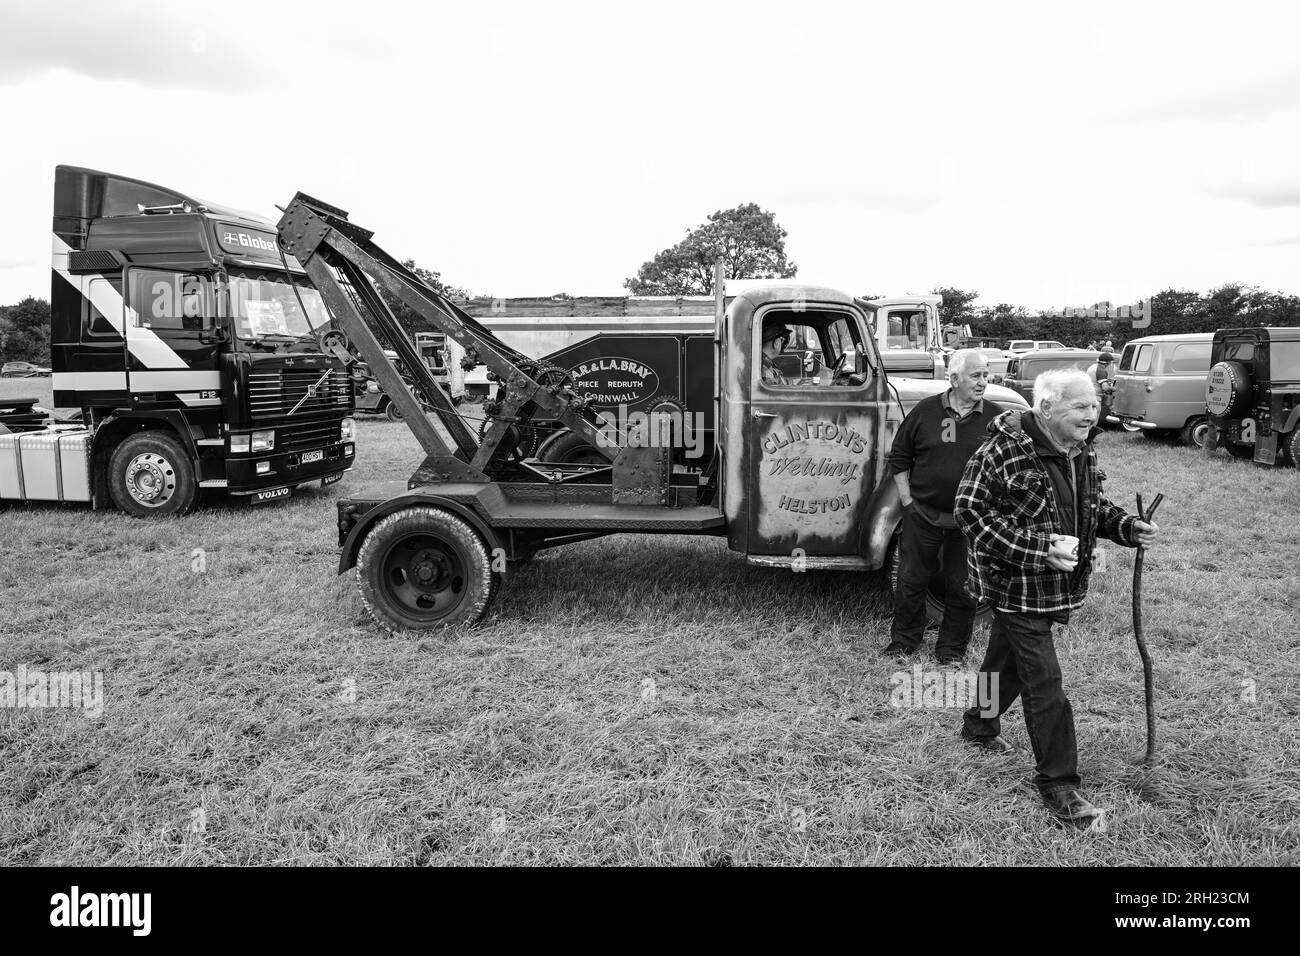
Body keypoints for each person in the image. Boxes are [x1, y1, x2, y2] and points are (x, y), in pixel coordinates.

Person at [953, 368, 1158, 825]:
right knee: (1044, 681)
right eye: (1081, 406)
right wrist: (1038, 549)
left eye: (1094, 405)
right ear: (1046, 408)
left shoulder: (1078, 449)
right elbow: (969, 512)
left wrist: (1126, 527)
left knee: (1004, 661)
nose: (1093, 414)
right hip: (1014, 584)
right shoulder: (1001, 450)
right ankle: (1059, 782)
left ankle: (979, 724)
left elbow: (1091, 505)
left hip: (1055, 587)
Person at [883, 349, 1000, 664]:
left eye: (986, 376)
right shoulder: (925, 412)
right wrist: (908, 502)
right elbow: (899, 458)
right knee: (910, 581)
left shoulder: (996, 417)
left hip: (969, 523)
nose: (983, 382)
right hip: (922, 515)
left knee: (962, 588)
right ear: (953, 378)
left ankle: (951, 651)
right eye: (976, 376)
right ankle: (904, 643)